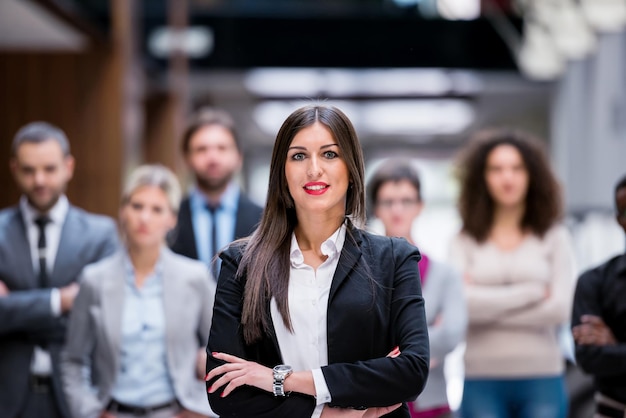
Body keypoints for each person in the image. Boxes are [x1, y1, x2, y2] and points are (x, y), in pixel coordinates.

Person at [204, 104, 430, 418]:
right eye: (298, 156)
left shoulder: (394, 258)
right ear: (282, 173)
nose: (313, 169)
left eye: (329, 154)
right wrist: (325, 414)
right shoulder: (240, 264)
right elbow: (224, 390)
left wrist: (281, 380)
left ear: (351, 170)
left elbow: (411, 371)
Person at [61, 164, 217, 418]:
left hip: (175, 411)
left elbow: (225, 353)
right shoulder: (95, 279)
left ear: (172, 218)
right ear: (123, 211)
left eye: (157, 209)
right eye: (137, 206)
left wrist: (201, 406)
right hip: (113, 411)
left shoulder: (194, 277)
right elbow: (73, 360)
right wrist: (89, 412)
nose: (144, 217)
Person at [449, 128, 576, 418]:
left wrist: (485, 302)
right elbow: (461, 305)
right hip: (481, 378)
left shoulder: (555, 237)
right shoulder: (463, 240)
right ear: (482, 177)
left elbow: (560, 309)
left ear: (532, 175)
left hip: (543, 376)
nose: (507, 178)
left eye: (516, 168)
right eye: (497, 169)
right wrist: (531, 293)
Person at [0, 122, 119, 418]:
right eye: (28, 170)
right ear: (14, 169)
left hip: (78, 395)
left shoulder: (101, 234)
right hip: (8, 396)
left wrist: (13, 309)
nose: (39, 180)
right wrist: (61, 302)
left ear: (68, 166)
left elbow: (99, 318)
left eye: (49, 169)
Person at [367, 159, 466, 418]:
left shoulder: (443, 274)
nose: (397, 210)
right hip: (371, 404)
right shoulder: (360, 271)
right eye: (388, 202)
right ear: (376, 208)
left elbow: (453, 332)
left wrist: (388, 351)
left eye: (406, 201)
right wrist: (422, 340)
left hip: (430, 404)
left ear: (420, 206)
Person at [169, 107, 263, 277]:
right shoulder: (169, 218)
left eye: (222, 148)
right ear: (186, 159)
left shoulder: (263, 219)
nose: (212, 158)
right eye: (201, 149)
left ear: (239, 157)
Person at [571, 174, 626, 417]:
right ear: (618, 220)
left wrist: (617, 346)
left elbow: (606, 357)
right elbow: (589, 357)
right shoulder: (594, 281)